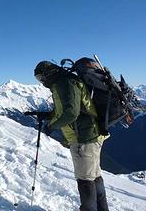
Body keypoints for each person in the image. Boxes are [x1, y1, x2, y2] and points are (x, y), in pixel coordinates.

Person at [33, 61, 109, 211]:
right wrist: (47, 115)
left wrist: (51, 125)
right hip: (90, 135)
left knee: (85, 181)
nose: (41, 82)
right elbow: (67, 109)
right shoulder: (64, 81)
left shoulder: (64, 83)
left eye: (40, 77)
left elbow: (71, 113)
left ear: (48, 73)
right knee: (94, 177)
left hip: (83, 138)